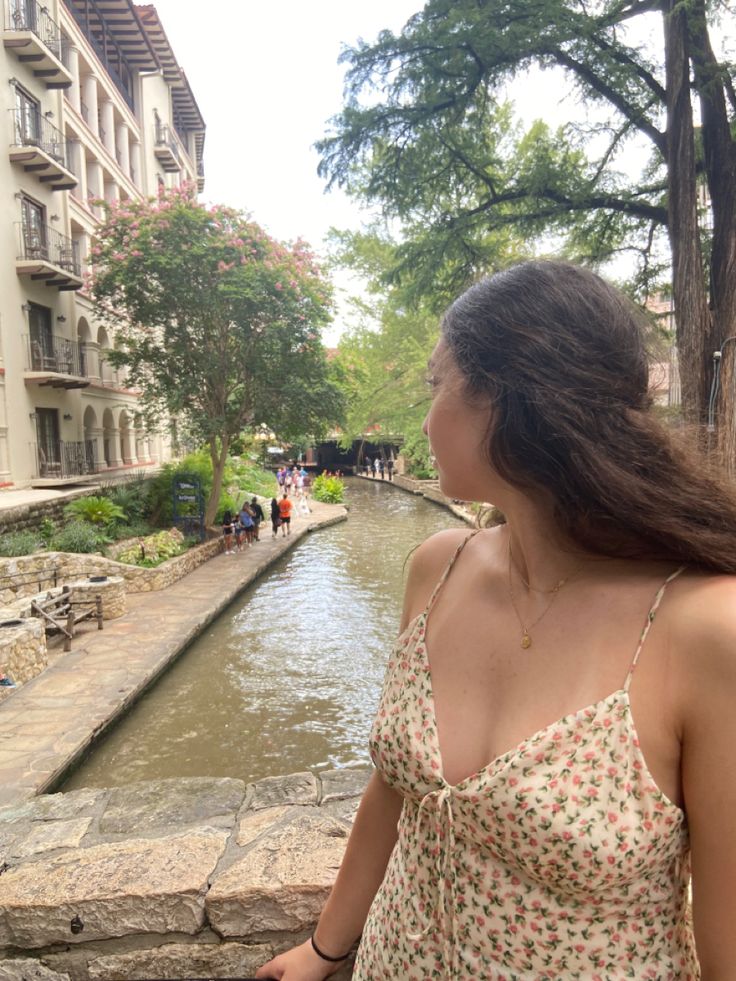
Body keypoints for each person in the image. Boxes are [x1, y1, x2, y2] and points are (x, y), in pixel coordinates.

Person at [257, 259, 736, 980]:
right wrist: (325, 948)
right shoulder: (438, 567)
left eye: (435, 384)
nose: (425, 417)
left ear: (504, 400)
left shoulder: (702, 627)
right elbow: (395, 787)